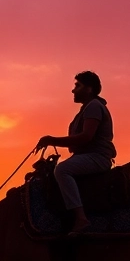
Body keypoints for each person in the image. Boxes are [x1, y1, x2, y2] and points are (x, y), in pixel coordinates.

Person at [37, 71, 116, 233]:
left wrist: (52, 140)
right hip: (87, 156)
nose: (73, 90)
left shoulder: (94, 106)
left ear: (89, 89)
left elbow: (86, 137)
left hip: (97, 157)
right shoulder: (86, 109)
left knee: (62, 170)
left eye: (77, 86)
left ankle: (81, 218)